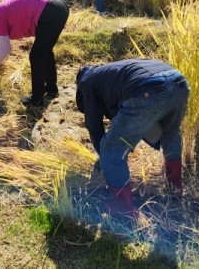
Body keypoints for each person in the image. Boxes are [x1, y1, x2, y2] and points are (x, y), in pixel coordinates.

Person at [75, 59, 190, 218]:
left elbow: (94, 126)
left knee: (111, 148)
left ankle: (123, 207)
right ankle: (175, 187)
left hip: (148, 89)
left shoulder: (87, 81)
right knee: (171, 133)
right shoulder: (112, 72)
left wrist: (105, 157)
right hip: (179, 82)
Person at [0, 0, 69, 106]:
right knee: (44, 52)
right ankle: (51, 88)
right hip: (57, 5)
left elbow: (5, 49)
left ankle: (37, 99)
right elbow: (0, 43)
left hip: (49, 10)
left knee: (36, 56)